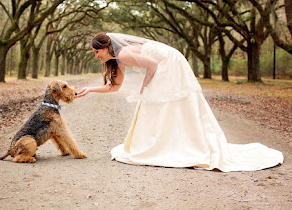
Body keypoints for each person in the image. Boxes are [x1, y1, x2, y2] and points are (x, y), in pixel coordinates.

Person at [76, 32, 284, 172]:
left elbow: (153, 65)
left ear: (106, 47)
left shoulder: (123, 53)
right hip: (164, 64)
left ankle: (173, 145)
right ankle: (170, 142)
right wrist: (90, 89)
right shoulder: (118, 58)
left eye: (97, 52)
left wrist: (145, 87)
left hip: (171, 63)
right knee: (155, 104)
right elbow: (115, 86)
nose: (96, 56)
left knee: (156, 102)